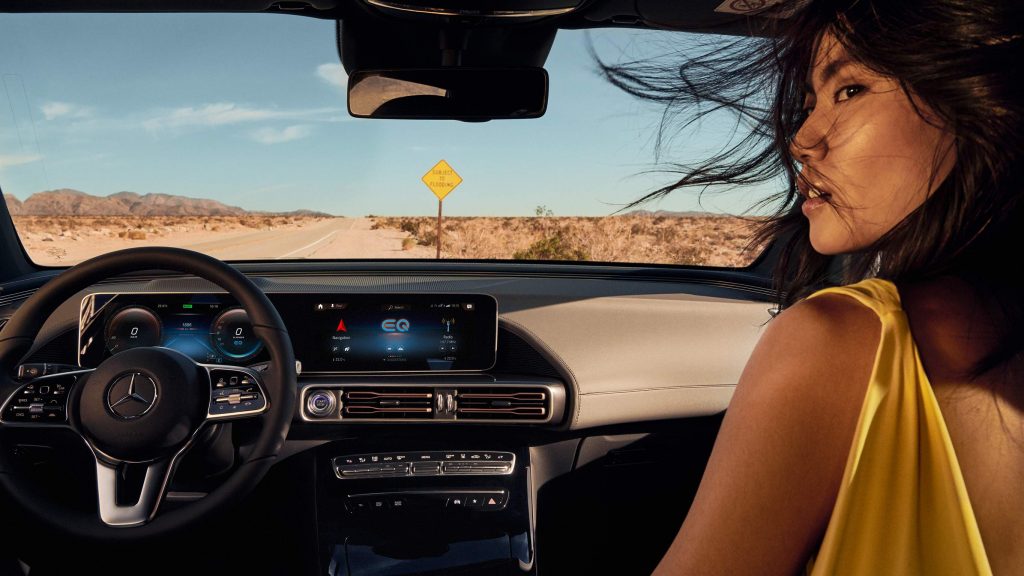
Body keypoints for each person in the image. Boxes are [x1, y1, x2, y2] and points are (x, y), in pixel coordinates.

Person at [601, 0, 1023, 574]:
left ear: (981, 97)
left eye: (849, 90)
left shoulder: (836, 339)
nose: (802, 139)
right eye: (807, 106)